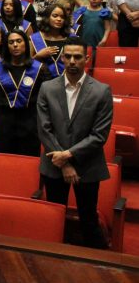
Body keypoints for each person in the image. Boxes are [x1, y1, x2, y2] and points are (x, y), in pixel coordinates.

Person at [37, 37, 113, 249]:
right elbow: (44, 129)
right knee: (55, 219)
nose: (72, 61)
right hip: (54, 166)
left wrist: (68, 156)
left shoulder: (101, 91)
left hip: (87, 166)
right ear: (62, 58)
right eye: (68, 56)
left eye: (77, 57)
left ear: (86, 59)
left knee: (88, 220)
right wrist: (64, 162)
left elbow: (99, 135)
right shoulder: (47, 88)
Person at [0, 30, 50, 157]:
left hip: (30, 119)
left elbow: (47, 99)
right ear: (6, 46)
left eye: (19, 41)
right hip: (4, 120)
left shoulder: (40, 69)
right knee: (5, 159)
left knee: (28, 158)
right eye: (11, 42)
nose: (15, 45)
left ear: (26, 43)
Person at [31, 4, 70, 77]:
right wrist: (38, 56)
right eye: (55, 16)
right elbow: (26, 66)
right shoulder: (34, 38)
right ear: (47, 17)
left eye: (62, 17)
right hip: (42, 81)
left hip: (67, 80)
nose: (59, 19)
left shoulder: (71, 38)